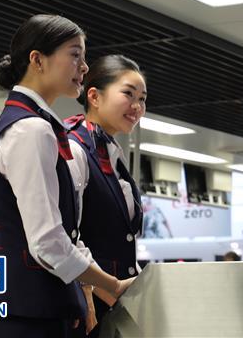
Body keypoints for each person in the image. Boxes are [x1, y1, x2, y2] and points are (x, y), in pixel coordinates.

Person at [0, 15, 134, 338]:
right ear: (37, 60)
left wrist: (101, 288)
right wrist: (112, 285)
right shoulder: (31, 129)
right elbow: (47, 242)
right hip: (25, 316)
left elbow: (66, 236)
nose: (84, 67)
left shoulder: (32, 123)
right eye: (75, 55)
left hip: (30, 310)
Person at [66, 55, 146, 336]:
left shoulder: (111, 154)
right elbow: (66, 235)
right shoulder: (74, 149)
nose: (137, 106)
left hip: (115, 305)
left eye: (142, 99)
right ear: (94, 96)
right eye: (128, 94)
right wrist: (89, 289)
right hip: (88, 308)